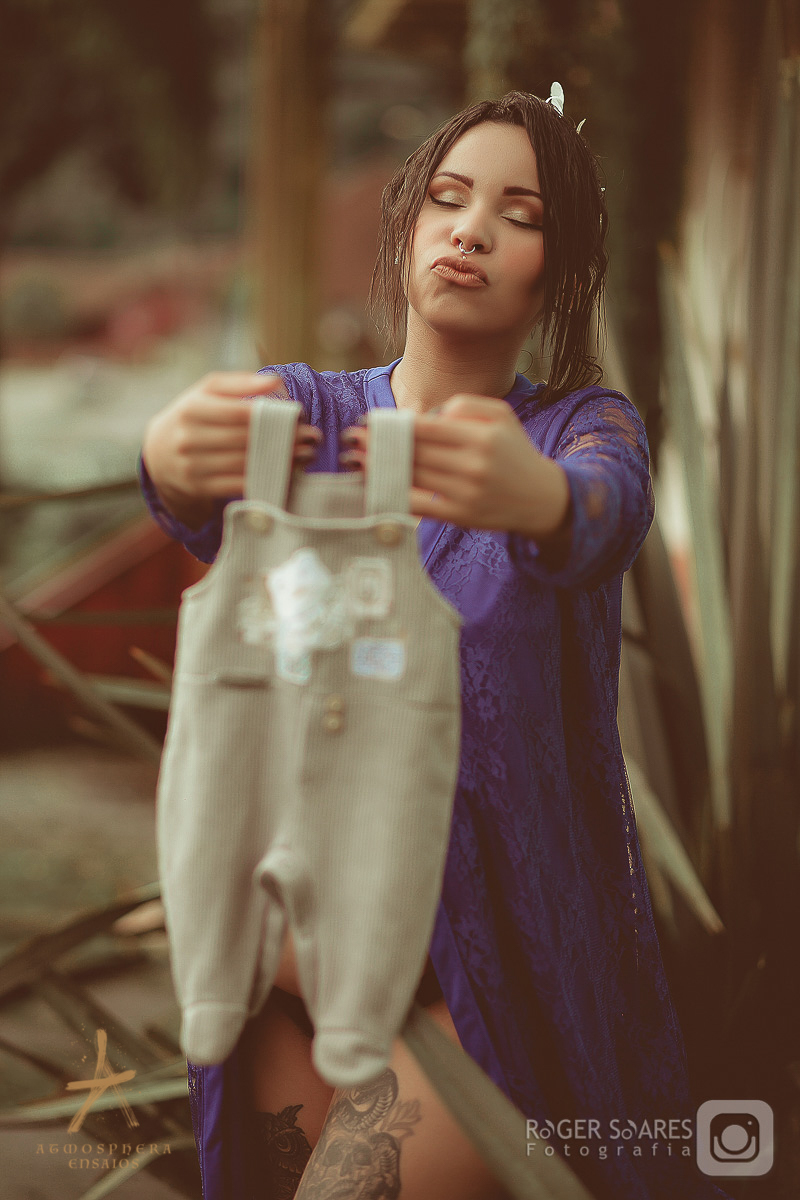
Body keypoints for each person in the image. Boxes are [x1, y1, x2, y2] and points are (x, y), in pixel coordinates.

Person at [140, 90, 734, 1200]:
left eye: (519, 213)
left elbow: (601, 513)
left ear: (555, 273)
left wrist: (539, 498)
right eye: (448, 201)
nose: (470, 230)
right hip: (282, 958)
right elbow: (195, 486)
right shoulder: (309, 414)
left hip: (479, 980)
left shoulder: (575, 430)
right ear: (407, 224)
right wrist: (171, 455)